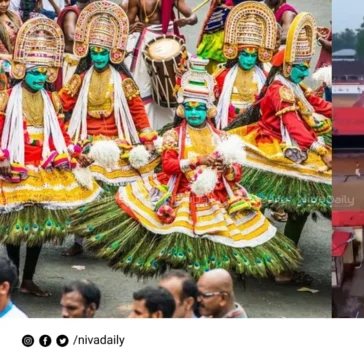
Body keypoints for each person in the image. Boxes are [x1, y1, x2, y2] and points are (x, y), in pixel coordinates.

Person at [69, 56, 300, 280]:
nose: (194, 113)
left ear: (208, 110)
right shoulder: (173, 135)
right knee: (177, 252)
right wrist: (198, 161)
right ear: (182, 110)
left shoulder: (222, 137)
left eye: (199, 108)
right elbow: (168, 166)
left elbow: (236, 173)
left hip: (217, 197)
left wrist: (224, 168)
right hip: (180, 193)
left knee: (213, 251)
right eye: (189, 108)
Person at [227, 13, 332, 281]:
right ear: (287, 67)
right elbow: (293, 123)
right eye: (300, 68)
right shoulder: (280, 90)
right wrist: (318, 147)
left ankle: (286, 259)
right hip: (271, 149)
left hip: (294, 145)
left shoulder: (294, 86)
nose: (305, 72)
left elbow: (316, 106)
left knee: (299, 207)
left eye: (306, 66)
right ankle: (248, 253)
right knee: (256, 202)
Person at [0, 18, 100, 297]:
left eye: (43, 73)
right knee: (13, 231)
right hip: (15, 166)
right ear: (22, 72)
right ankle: (13, 277)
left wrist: (74, 153)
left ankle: (28, 279)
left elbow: (62, 134)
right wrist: (2, 157)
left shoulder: (52, 99)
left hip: (45, 166)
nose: (39, 78)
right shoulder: (5, 98)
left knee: (37, 231)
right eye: (34, 73)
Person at [59, 1, 156, 257]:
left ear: (113, 52)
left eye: (104, 52)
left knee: (120, 191)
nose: (99, 57)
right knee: (83, 187)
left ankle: (111, 238)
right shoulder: (79, 78)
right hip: (85, 141)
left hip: (117, 141)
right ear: (89, 52)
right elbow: (61, 104)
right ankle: (79, 240)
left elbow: (137, 111)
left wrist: (147, 139)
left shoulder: (124, 80)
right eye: (95, 52)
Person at [124, 0, 198, 128]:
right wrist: (132, 27)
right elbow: (125, 25)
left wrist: (187, 20)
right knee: (143, 86)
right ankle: (145, 128)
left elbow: (193, 17)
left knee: (176, 85)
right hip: (147, 41)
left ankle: (174, 125)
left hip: (170, 42)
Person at [213, 1, 277, 130]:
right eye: (245, 55)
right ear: (237, 54)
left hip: (255, 125)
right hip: (228, 125)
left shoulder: (265, 78)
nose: (249, 60)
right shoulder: (222, 76)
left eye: (253, 56)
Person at [55, 0, 94, 90]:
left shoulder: (89, 13)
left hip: (83, 61)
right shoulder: (72, 12)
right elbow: (70, 35)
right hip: (71, 61)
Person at [0, 0, 22, 90]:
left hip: (16, 58)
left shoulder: (14, 16)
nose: (4, 4)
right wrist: (7, 57)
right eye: (0, 1)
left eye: (6, 0)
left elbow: (24, 35)